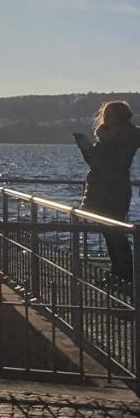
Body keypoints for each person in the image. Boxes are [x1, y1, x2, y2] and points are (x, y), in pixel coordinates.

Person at [73, 101, 140, 283]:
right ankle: (119, 272)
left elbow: (104, 164)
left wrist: (86, 148)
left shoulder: (124, 136)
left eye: (113, 114)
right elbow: (100, 163)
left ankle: (125, 274)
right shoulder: (112, 136)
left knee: (114, 231)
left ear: (122, 116)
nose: (109, 118)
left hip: (112, 189)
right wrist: (87, 148)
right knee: (110, 231)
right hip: (104, 188)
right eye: (108, 114)